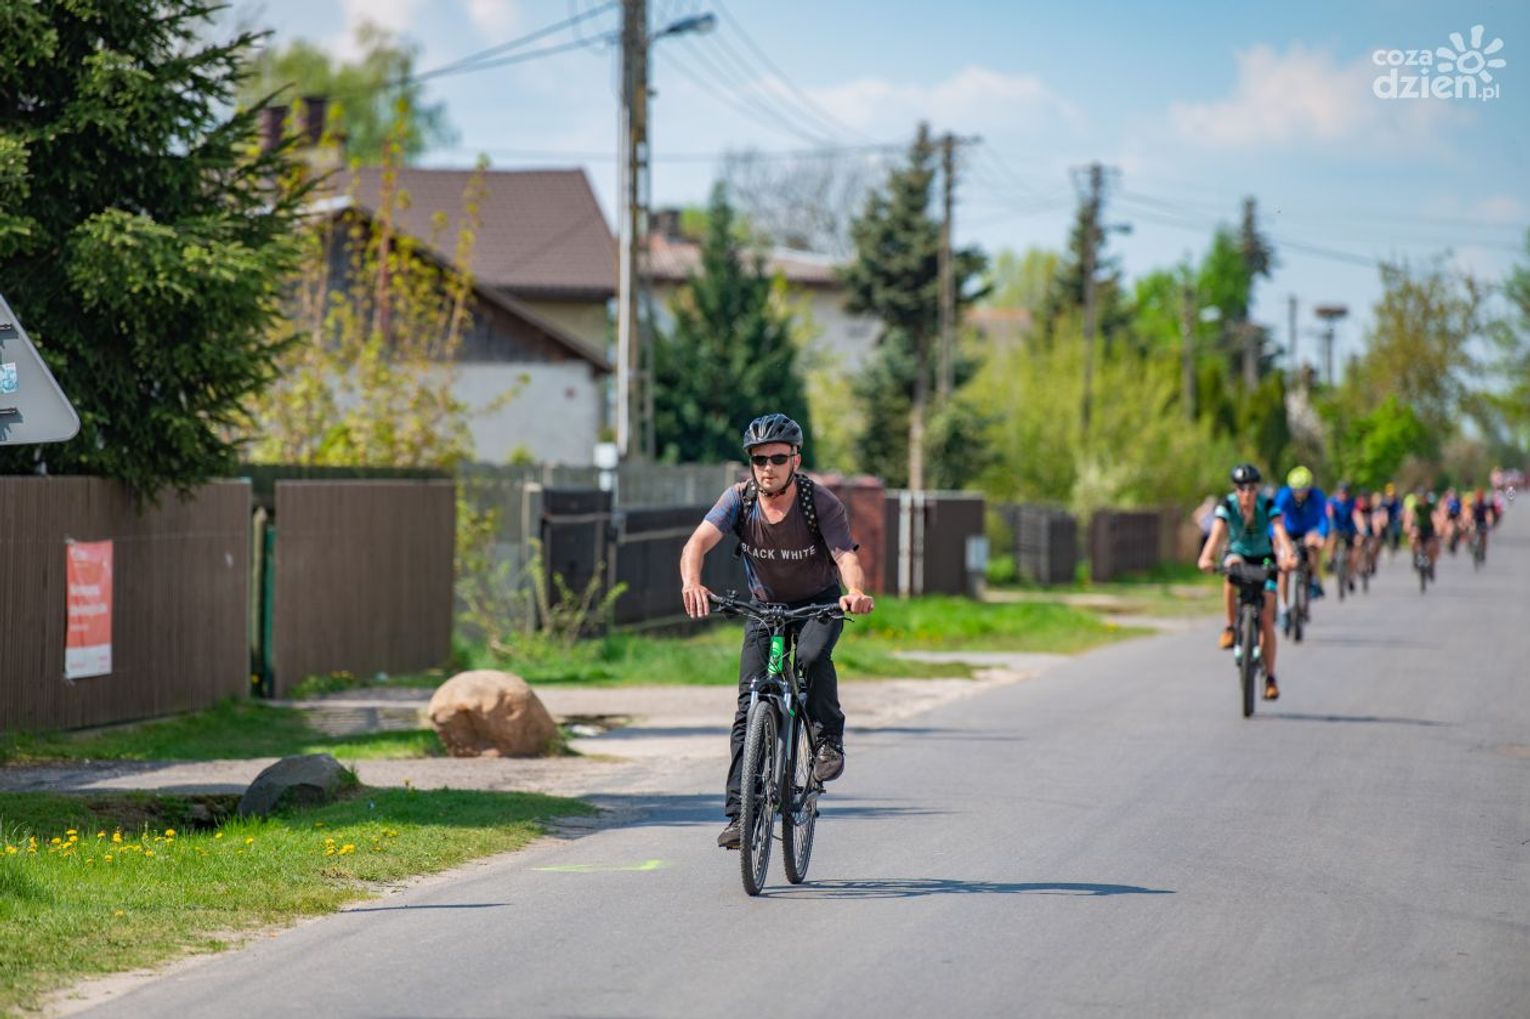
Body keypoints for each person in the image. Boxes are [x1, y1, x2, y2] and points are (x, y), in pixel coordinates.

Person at [678, 413, 875, 851]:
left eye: (778, 458)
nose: (768, 467)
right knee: (749, 706)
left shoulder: (819, 502)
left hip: (818, 604)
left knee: (810, 658)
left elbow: (845, 555)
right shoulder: (739, 499)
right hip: (765, 608)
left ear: (795, 460)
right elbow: (697, 543)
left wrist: (855, 592)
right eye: (759, 459)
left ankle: (827, 742)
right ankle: (741, 817)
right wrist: (692, 581)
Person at [1198, 464, 1297, 701]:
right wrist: (1206, 557)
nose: (1246, 494)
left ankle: (1270, 677)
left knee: (1266, 619)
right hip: (1238, 554)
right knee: (1230, 570)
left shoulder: (1267, 504)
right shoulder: (1227, 505)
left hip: (1265, 558)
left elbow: (1279, 531)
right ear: (1236, 489)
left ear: (1257, 489)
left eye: (1251, 488)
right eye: (1241, 488)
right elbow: (1217, 533)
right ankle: (1230, 627)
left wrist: (1289, 555)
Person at [1273, 465, 1329, 631]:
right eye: (1296, 490)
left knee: (1313, 547)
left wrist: (1321, 535)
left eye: (1303, 490)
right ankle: (1283, 608)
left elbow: (1324, 518)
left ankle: (1315, 580)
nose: (1300, 493)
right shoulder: (1284, 495)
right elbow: (1274, 517)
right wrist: (1275, 537)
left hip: (1309, 531)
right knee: (1284, 567)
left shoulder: (1317, 496)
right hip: (1289, 532)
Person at [1326, 481, 1360, 591]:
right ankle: (1330, 559)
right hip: (1336, 528)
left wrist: (1361, 529)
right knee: (1332, 537)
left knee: (1355, 548)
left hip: (1350, 530)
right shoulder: (1332, 502)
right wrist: (1331, 523)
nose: (1343, 495)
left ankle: (1351, 576)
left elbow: (1356, 515)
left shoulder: (1352, 503)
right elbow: (1329, 513)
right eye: (1341, 493)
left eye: (1345, 493)